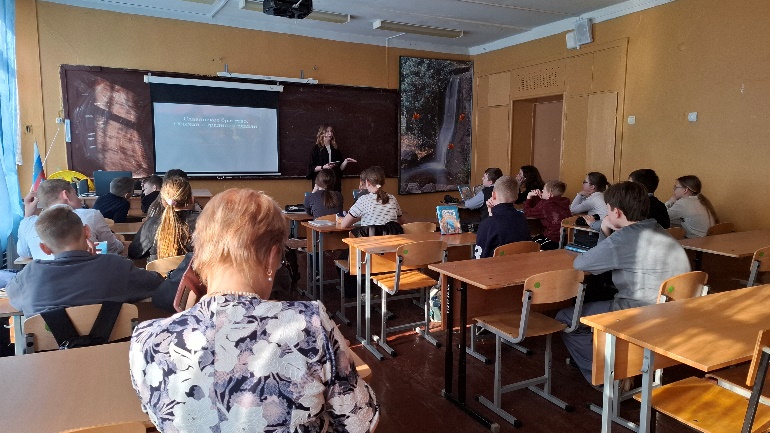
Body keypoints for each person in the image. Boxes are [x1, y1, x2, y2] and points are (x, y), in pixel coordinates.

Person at [129, 188, 379, 432]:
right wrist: (336, 357)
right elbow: (361, 422)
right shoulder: (310, 324)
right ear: (272, 257)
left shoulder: (145, 340)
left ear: (201, 254)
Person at [555, 181, 691, 383]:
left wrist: (604, 230)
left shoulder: (622, 239)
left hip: (639, 312)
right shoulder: (659, 229)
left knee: (566, 318)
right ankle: (621, 363)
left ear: (616, 212)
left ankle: (607, 375)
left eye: (607, 211)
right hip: (674, 309)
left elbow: (582, 263)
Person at [7, 205, 163, 317]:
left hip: (51, 353)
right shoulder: (116, 266)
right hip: (113, 350)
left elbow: (13, 297)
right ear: (87, 231)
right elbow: (156, 283)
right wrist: (99, 260)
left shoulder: (29, 276)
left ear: (44, 248)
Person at [17, 179, 124, 259]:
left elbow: (24, 254)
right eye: (76, 194)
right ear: (65, 194)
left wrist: (27, 216)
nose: (80, 200)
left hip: (48, 279)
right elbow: (112, 247)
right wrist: (120, 241)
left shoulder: (28, 222)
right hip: (87, 275)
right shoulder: (91, 215)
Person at [128, 176, 199, 261]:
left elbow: (134, 253)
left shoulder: (152, 223)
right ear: (191, 199)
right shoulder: (203, 222)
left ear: (162, 200)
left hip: (159, 269)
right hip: (193, 269)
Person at [474, 175, 530, 259]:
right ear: (516, 196)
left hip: (495, 266)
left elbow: (479, 258)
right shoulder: (522, 219)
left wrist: (490, 217)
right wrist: (491, 213)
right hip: (520, 265)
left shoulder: (487, 224)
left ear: (494, 195)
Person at [524, 180, 572, 250]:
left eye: (543, 190)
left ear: (549, 194)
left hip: (552, 239)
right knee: (536, 238)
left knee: (529, 245)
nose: (542, 191)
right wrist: (542, 198)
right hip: (564, 239)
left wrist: (529, 196)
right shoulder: (564, 202)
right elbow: (547, 210)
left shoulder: (545, 205)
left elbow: (527, 213)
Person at [307, 124, 357, 191]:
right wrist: (323, 167)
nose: (330, 133)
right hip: (321, 182)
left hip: (334, 183)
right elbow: (311, 168)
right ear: (322, 133)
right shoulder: (316, 149)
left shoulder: (335, 149)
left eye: (331, 131)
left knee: (335, 197)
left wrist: (345, 161)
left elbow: (340, 169)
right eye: (327, 131)